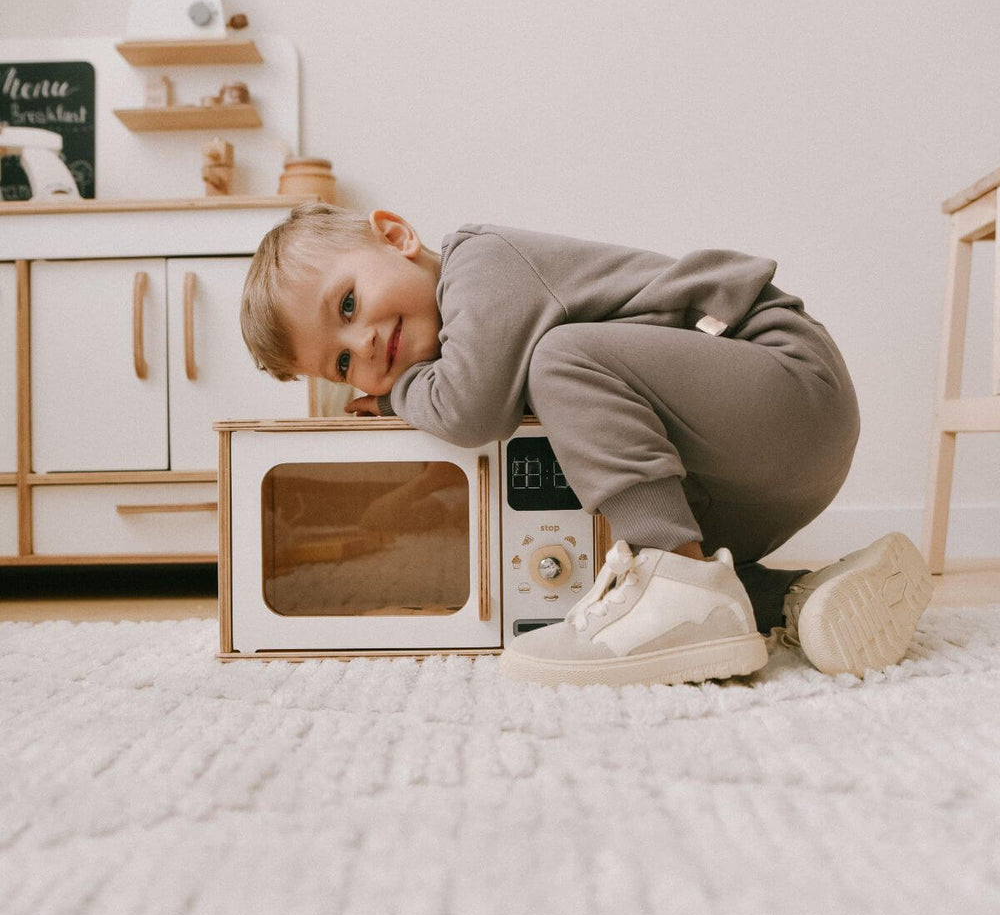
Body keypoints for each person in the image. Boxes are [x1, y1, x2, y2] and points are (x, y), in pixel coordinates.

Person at [240, 202, 933, 688]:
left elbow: (469, 406)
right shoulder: (467, 340)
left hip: (787, 379)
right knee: (605, 523)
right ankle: (793, 598)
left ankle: (679, 593)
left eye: (348, 306)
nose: (362, 347)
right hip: (750, 471)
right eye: (339, 365)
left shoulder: (480, 265)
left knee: (561, 357)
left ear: (395, 235)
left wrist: (391, 396)